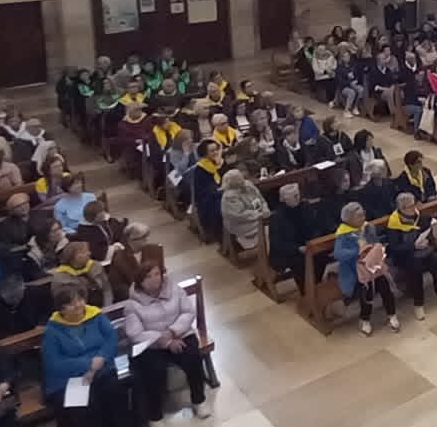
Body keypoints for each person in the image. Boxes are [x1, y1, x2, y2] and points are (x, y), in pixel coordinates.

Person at [122, 263, 212, 421]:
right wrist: (164, 341)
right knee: (154, 371)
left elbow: (188, 312)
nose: (154, 279)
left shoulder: (174, 290)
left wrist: (172, 332)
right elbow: (135, 334)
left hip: (180, 335)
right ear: (140, 282)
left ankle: (199, 400)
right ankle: (155, 415)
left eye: (157, 274)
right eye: (148, 277)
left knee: (192, 358)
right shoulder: (132, 305)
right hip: (152, 345)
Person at [42, 284, 132, 427]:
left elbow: (111, 338)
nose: (78, 305)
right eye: (71, 303)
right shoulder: (52, 331)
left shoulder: (96, 316)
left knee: (119, 385)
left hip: (102, 366)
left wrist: (101, 358)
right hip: (69, 378)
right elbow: (55, 364)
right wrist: (88, 364)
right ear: (61, 309)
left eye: (80, 300)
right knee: (84, 406)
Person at [331, 202, 401, 336]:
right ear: (349, 219)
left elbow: (375, 242)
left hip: (374, 265)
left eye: (363, 214)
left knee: (385, 286)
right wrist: (357, 252)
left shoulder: (369, 227)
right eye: (359, 216)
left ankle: (392, 315)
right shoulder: (343, 234)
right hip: (356, 270)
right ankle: (365, 319)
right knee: (367, 291)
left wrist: (376, 248)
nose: (363, 218)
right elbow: (338, 254)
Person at [383, 192, 437, 319]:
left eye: (414, 204)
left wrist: (427, 241)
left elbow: (428, 232)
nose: (414, 208)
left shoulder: (419, 216)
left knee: (435, 265)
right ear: (402, 208)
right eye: (410, 206)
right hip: (405, 256)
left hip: (423, 250)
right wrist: (413, 246)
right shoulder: (394, 223)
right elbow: (394, 248)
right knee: (416, 270)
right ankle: (418, 304)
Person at [220, 169, 269, 254]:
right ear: (232, 182)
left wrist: (264, 209)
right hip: (241, 224)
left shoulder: (248, 185)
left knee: (273, 221)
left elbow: (260, 200)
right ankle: (265, 251)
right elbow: (240, 215)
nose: (242, 180)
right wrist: (259, 214)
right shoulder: (229, 196)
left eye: (241, 177)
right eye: (238, 179)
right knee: (267, 228)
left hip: (257, 215)